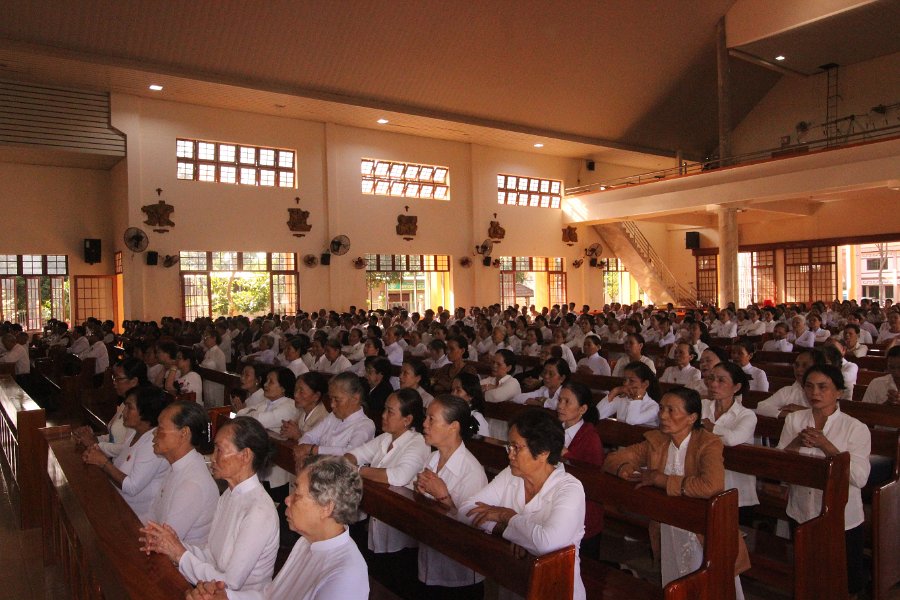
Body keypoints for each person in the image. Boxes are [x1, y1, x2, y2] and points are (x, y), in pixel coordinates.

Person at [604, 386, 748, 597]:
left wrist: (661, 480)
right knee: (676, 584)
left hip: (705, 528)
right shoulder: (658, 440)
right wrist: (625, 470)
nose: (663, 415)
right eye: (662, 408)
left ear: (692, 418)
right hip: (669, 525)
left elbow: (712, 485)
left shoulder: (708, 443)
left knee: (709, 588)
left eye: (671, 410)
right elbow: (614, 458)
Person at [187, 455, 368, 600]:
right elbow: (271, 595)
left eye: (297, 495)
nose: (287, 500)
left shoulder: (346, 576)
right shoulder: (306, 542)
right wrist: (225, 596)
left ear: (326, 508)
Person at [141, 417, 279, 593]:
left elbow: (230, 583)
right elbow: (211, 555)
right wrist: (173, 544)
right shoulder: (229, 494)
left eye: (219, 450)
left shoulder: (259, 511)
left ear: (245, 456)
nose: (213, 458)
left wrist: (179, 554)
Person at [459, 409, 586, 600]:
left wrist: (507, 516)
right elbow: (465, 510)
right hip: (513, 583)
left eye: (516, 448)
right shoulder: (511, 475)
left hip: (555, 589)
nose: (510, 455)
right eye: (509, 447)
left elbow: (546, 544)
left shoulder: (570, 489)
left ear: (543, 453)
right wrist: (506, 530)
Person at [777, 365, 871, 597]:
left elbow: (860, 478)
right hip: (801, 510)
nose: (814, 393)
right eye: (809, 386)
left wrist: (826, 446)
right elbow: (780, 466)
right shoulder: (794, 420)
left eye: (822, 387)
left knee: (845, 582)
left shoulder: (855, 428)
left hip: (842, 517)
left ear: (838, 392)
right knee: (807, 575)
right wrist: (796, 443)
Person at [345, 388, 430, 597]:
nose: (383, 415)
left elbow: (399, 476)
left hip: (400, 527)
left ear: (407, 419)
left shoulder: (418, 443)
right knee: (374, 580)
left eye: (390, 412)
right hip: (376, 519)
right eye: (384, 409)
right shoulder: (385, 438)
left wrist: (358, 471)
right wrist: (352, 463)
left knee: (394, 586)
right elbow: (354, 454)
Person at [414, 395, 489, 598]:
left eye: (431, 419)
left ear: (453, 427)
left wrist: (443, 497)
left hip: (458, 574)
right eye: (426, 418)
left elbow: (474, 529)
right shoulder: (432, 458)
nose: (424, 424)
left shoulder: (471, 471)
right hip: (429, 559)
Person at [81, 386, 170, 522]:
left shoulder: (153, 444)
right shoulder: (134, 433)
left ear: (146, 411)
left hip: (136, 518)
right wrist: (94, 456)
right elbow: (118, 466)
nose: (123, 411)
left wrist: (103, 463)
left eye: (129, 407)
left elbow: (132, 487)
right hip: (118, 503)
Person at [145, 401, 219, 544]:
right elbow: (153, 514)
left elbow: (164, 540)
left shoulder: (193, 484)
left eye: (160, 428)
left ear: (184, 433)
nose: (154, 433)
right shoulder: (177, 466)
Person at [701, 363, 759, 521]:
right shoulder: (702, 406)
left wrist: (711, 427)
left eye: (721, 380)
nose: (713, 384)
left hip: (735, 488)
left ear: (736, 387)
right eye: (711, 378)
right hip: (703, 484)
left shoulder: (746, 415)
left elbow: (732, 439)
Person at [237, 367, 299, 502]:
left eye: (271, 382)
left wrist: (252, 413)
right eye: (266, 381)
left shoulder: (290, 406)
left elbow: (258, 420)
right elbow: (240, 414)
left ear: (283, 388)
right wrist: (252, 414)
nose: (265, 384)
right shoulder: (266, 403)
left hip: (278, 467)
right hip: (261, 465)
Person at [557, 382, 604, 553]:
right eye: (559, 400)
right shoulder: (555, 430)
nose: (560, 406)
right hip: (558, 502)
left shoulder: (590, 437)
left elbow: (592, 481)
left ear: (582, 409)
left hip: (583, 512)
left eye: (567, 402)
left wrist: (566, 455)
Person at [72, 357, 147, 457]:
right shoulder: (126, 402)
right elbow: (115, 437)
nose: (114, 382)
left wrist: (94, 444)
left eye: (118, 379)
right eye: (113, 378)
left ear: (134, 381)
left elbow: (127, 448)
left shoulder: (141, 408)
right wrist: (93, 438)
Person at [295, 372, 376, 463]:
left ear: (355, 399)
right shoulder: (332, 416)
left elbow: (351, 454)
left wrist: (314, 449)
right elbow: (310, 436)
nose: (332, 405)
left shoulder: (366, 425)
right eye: (331, 399)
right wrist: (302, 450)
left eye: (337, 400)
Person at [755, 349, 825, 418]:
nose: (799, 369)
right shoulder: (788, 391)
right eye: (796, 365)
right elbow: (761, 407)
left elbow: (828, 415)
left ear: (818, 368)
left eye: (805, 365)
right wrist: (789, 415)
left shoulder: (827, 392)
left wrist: (801, 410)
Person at [596, 361, 661, 426]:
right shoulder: (622, 399)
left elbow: (631, 421)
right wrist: (615, 391)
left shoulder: (653, 407)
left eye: (631, 381)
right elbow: (597, 415)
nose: (626, 384)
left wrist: (638, 397)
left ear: (645, 384)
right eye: (625, 380)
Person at [481, 349, 522, 440]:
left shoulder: (513, 382)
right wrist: (490, 387)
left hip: (504, 428)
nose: (494, 366)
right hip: (488, 423)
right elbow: (472, 389)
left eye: (498, 364)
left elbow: (495, 396)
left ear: (508, 368)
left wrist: (486, 389)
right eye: (493, 362)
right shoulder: (490, 380)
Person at [280, 371, 330, 442]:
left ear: (316, 396)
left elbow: (319, 446)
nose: (295, 395)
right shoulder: (301, 411)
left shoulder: (324, 420)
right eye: (295, 390)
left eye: (301, 392)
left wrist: (298, 436)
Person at [200, 330, 228, 407]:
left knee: (216, 406)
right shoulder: (207, 352)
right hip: (207, 383)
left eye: (206, 337)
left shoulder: (219, 353)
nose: (204, 339)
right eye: (204, 337)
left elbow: (222, 373)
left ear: (214, 338)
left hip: (216, 386)